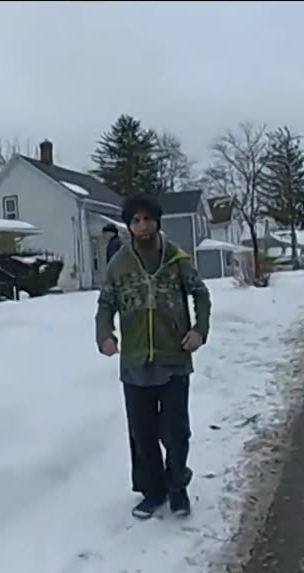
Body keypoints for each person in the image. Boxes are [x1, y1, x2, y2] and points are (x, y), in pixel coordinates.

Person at [96, 194, 212, 520]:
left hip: (174, 357)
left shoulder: (176, 258)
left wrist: (200, 330)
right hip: (135, 362)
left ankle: (177, 488)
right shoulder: (118, 264)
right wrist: (105, 335)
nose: (142, 225)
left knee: (175, 431)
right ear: (129, 225)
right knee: (142, 433)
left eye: (148, 219)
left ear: (157, 222)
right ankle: (152, 491)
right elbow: (105, 304)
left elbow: (200, 295)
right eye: (136, 220)